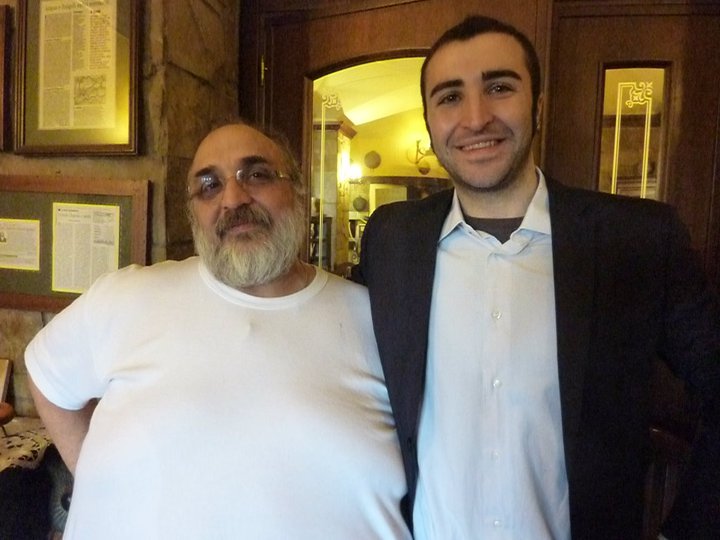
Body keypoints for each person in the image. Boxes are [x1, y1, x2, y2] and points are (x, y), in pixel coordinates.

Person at [352, 15, 720, 540]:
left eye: (499, 87)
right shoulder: (391, 239)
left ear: (538, 107)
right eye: (450, 97)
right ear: (430, 124)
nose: (476, 118)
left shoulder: (637, 240)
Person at [25, 122, 412, 540]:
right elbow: (47, 379)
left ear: (299, 192)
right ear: (193, 212)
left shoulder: (376, 318)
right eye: (209, 186)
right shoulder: (127, 296)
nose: (233, 199)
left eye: (257, 175)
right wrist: (99, 485)